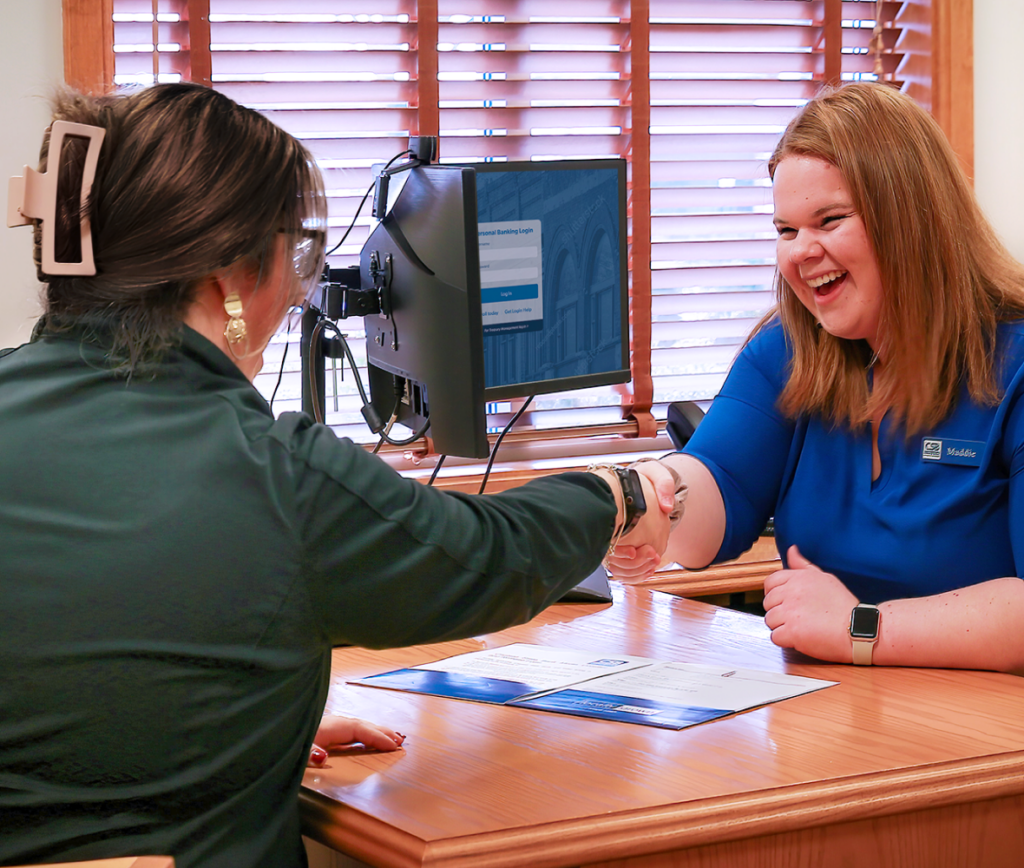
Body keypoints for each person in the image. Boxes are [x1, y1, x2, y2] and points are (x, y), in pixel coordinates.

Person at [0, 83, 673, 868]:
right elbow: (492, 558)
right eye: (293, 255)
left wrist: (252, 720)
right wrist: (618, 494)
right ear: (230, 277)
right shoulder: (272, 473)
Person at [610, 81, 1024, 674]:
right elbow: (715, 486)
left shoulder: (1015, 363)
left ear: (912, 220)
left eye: (828, 221)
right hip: (829, 725)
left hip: (985, 743)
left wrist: (859, 628)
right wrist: (646, 500)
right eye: (786, 230)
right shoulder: (789, 351)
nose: (801, 252)